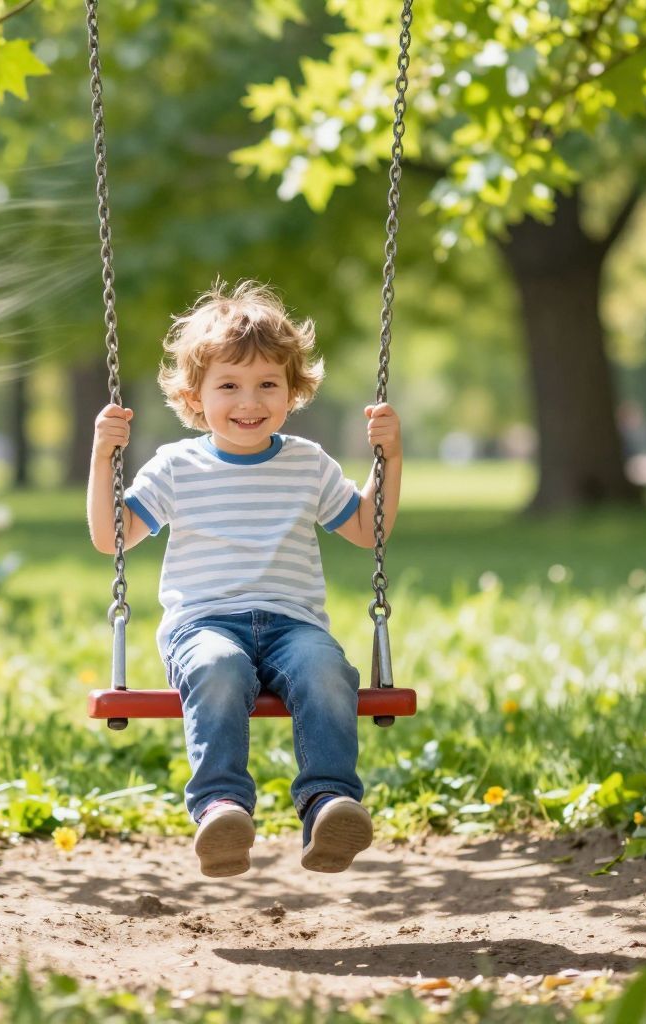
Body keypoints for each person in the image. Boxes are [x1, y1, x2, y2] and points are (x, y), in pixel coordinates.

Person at [86, 280, 403, 878]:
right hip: (203, 625)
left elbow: (368, 529)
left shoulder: (308, 462)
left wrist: (390, 457)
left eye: (267, 384)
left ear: (293, 390)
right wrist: (103, 458)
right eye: (228, 385)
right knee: (218, 669)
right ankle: (222, 809)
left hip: (293, 624)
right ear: (194, 395)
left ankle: (329, 802)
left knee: (326, 670)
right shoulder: (176, 467)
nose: (249, 401)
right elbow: (112, 537)